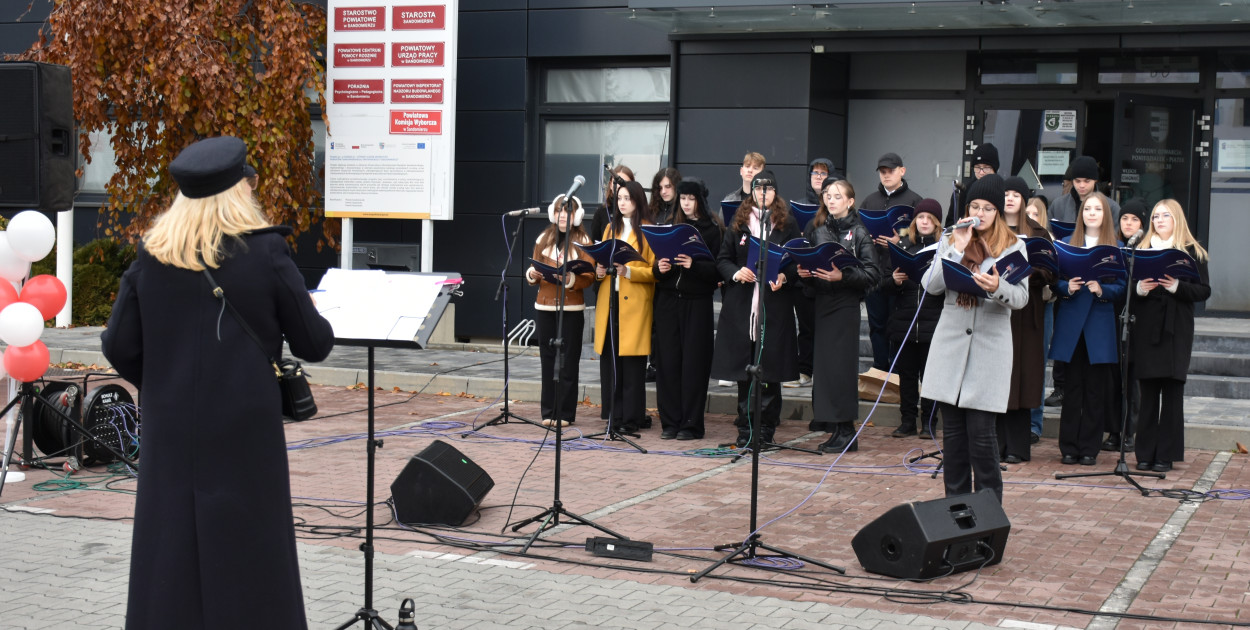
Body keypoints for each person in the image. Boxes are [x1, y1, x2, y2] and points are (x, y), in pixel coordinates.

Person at [101, 136, 335, 629]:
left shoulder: (151, 255)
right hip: (245, 426)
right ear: (238, 192)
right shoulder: (267, 250)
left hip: (171, 429)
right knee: (253, 546)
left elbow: (119, 346)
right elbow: (314, 343)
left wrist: (164, 383)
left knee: (169, 545)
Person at [921, 174, 1029, 504]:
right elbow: (931, 284)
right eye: (974, 206)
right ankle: (954, 513)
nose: (979, 213)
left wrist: (997, 288)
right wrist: (955, 247)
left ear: (999, 211)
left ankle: (988, 517)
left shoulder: (1015, 245)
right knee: (952, 441)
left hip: (988, 351)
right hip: (950, 348)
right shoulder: (953, 237)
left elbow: (1021, 297)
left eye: (987, 208)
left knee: (982, 440)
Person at [711, 170, 802, 448]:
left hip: (773, 307)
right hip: (742, 307)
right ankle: (745, 426)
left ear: (775, 193)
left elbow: (797, 262)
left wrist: (785, 277)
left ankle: (765, 429)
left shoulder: (787, 225)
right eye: (758, 189)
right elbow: (723, 260)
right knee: (744, 368)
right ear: (752, 192)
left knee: (769, 368)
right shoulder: (738, 225)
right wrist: (737, 273)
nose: (764, 194)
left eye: (769, 189)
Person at [797, 177, 880, 452]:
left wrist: (841, 276)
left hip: (844, 307)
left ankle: (847, 431)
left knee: (842, 370)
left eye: (836, 196)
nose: (830, 200)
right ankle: (836, 429)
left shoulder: (858, 232)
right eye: (827, 196)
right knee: (826, 370)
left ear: (850, 201)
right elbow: (812, 268)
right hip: (822, 304)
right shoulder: (818, 229)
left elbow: (873, 274)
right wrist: (805, 274)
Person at [1132, 199, 1211, 473]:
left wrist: (1178, 286)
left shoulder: (1192, 252)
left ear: (1177, 219)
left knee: (1172, 393)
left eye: (1165, 216)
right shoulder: (1141, 249)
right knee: (1149, 393)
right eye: (1155, 216)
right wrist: (1139, 289)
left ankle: (1166, 453)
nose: (1159, 220)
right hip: (1147, 328)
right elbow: (1129, 288)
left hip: (1176, 328)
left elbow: (1203, 291)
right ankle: (1144, 452)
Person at [1049, 192, 1125, 466]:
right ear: (1081, 214)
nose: (1092, 213)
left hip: (1099, 324)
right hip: (1071, 322)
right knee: (1072, 388)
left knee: (1095, 390)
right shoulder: (1067, 243)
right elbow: (1054, 279)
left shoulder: (1114, 246)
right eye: (1087, 209)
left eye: (1097, 209)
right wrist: (1064, 287)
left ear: (1106, 214)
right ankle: (1068, 447)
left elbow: (1122, 286)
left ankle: (1089, 448)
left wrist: (1102, 289)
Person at [653, 177, 724, 440]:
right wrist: (659, 269)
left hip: (697, 303)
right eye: (683, 198)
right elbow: (657, 267)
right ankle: (670, 422)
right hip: (668, 302)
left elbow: (717, 270)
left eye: (691, 199)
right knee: (668, 363)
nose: (686, 203)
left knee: (694, 365)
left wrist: (692, 264)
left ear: (700, 201)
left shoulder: (712, 229)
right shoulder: (671, 227)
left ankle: (691, 424)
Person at [525, 194, 596, 428]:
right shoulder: (543, 238)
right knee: (547, 357)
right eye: (558, 211)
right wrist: (532, 275)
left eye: (567, 211)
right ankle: (548, 410)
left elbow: (589, 276)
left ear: (577, 215)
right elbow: (534, 265)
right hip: (545, 304)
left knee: (568, 359)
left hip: (571, 307)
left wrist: (570, 278)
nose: (562, 215)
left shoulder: (584, 240)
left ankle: (565, 412)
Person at [995, 176, 1052, 464]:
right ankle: (994, 445)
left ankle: (1017, 447)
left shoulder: (1038, 233)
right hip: (996, 309)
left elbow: (1051, 270)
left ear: (1024, 200)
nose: (1009, 199)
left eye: (1015, 194)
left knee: (1022, 375)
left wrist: (1032, 273)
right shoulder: (991, 229)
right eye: (1005, 194)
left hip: (1026, 312)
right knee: (998, 375)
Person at [594, 180, 657, 435]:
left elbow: (654, 271)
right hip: (610, 303)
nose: (622, 203)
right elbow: (602, 260)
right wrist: (599, 271)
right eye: (619, 198)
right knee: (611, 361)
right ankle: (614, 415)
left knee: (632, 364)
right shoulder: (611, 228)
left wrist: (629, 271)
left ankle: (632, 418)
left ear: (638, 201)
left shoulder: (649, 231)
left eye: (628, 198)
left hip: (635, 304)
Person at [883, 198, 944, 440]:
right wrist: (895, 281)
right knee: (906, 376)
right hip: (904, 322)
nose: (925, 222)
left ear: (937, 222)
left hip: (933, 322)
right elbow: (883, 283)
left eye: (929, 218)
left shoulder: (944, 248)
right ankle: (906, 421)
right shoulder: (903, 248)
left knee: (930, 377)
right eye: (920, 218)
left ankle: (929, 423)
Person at [860, 152, 923, 373]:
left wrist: (899, 242)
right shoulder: (869, 201)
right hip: (875, 272)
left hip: (900, 275)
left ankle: (897, 373)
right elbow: (859, 233)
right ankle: (879, 369)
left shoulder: (915, 201)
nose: (886, 175)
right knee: (876, 325)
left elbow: (924, 237)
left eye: (891, 171)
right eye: (883, 172)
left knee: (896, 325)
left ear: (902, 171)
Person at [1105, 198, 1151, 451]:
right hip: (1114, 317)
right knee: (1114, 378)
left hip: (1138, 320)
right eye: (1125, 219)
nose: (1129, 224)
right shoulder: (1113, 247)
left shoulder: (1147, 249)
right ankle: (1114, 430)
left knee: (1132, 379)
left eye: (1134, 220)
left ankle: (1130, 431)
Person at [788, 158, 836, 387]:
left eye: (823, 173)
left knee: (826, 327)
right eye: (814, 172)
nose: (818, 176)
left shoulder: (839, 209)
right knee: (805, 326)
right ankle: (804, 369)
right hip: (803, 277)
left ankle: (824, 371)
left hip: (829, 277)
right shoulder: (796, 205)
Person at [946, 143, 1000, 228]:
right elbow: (950, 224)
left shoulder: (1004, 190)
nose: (981, 172)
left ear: (995, 169)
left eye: (986, 168)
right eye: (978, 167)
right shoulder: (962, 192)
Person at [589, 164, 635, 245]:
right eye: (617, 182)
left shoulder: (638, 212)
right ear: (611, 184)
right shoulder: (601, 212)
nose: (620, 185)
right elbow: (595, 242)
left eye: (624, 182)